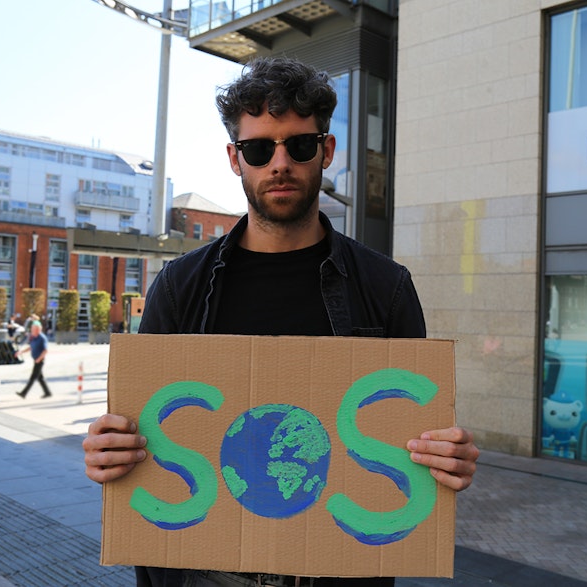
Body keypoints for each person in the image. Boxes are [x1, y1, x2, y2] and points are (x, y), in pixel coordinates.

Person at [83, 57, 479, 587]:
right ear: (235, 158)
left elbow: (413, 434)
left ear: (326, 151)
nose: (280, 163)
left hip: (340, 576)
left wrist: (446, 458)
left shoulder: (385, 287)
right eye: (259, 149)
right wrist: (109, 449)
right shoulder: (180, 287)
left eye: (300, 145)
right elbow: (140, 430)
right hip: (203, 573)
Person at [15, 321, 52, 399]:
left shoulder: (42, 338)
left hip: (39, 361)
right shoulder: (33, 337)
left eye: (33, 329)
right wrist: (21, 352)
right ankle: (47, 392)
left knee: (33, 377)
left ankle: (24, 393)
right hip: (36, 360)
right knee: (40, 378)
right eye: (32, 329)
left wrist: (39, 359)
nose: (32, 330)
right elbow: (31, 347)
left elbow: (45, 350)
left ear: (38, 329)